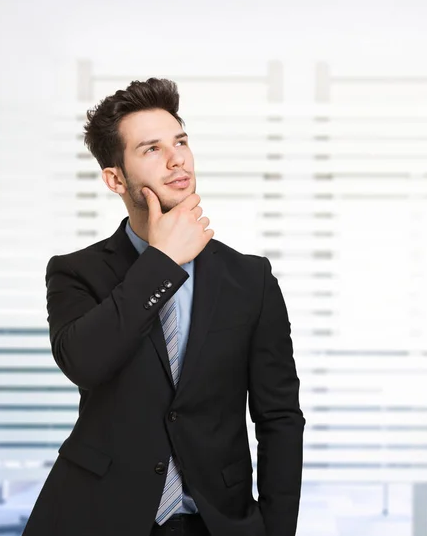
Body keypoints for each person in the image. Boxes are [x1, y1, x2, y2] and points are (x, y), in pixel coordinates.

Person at [22, 78, 305, 536]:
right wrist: (163, 262)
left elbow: (280, 417)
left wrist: (277, 529)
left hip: (215, 520)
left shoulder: (250, 279)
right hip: (96, 515)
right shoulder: (76, 272)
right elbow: (85, 363)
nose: (177, 160)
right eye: (151, 149)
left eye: (181, 142)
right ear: (115, 178)